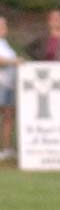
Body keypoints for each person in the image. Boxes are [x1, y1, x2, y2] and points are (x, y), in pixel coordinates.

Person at [0, 16, 24, 161]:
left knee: (9, 117)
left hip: (10, 84)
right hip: (1, 83)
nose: (4, 27)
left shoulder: (5, 43)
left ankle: (6, 148)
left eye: (5, 25)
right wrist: (15, 61)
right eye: (1, 25)